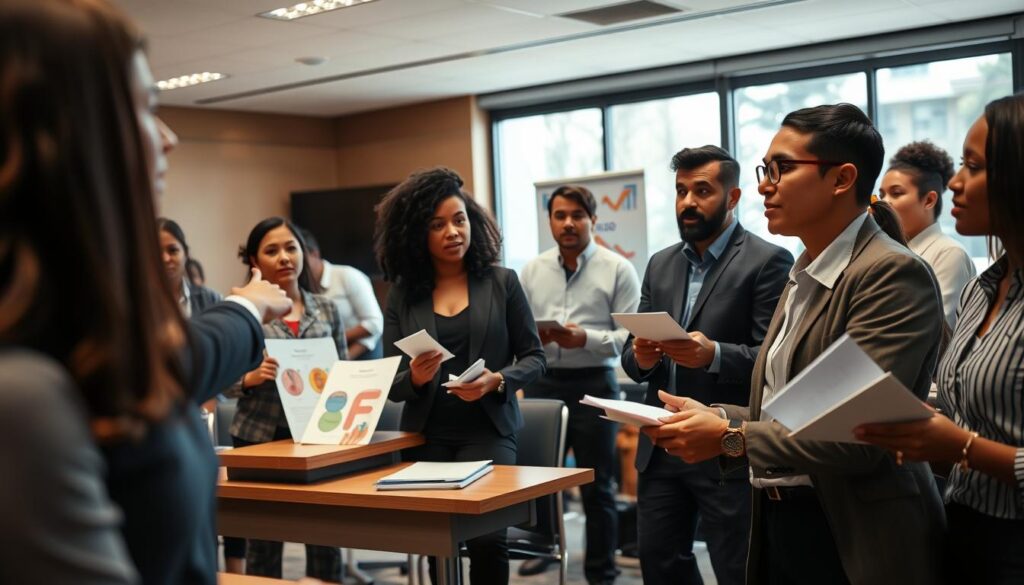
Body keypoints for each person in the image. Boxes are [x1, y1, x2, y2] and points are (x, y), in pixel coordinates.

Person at [0, 1, 293, 583]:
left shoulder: (78, 322)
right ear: (69, 132)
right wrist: (248, 307)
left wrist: (249, 307)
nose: (168, 137)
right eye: (144, 107)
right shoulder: (22, 392)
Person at [643, 104, 946, 585]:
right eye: (767, 169)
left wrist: (728, 437)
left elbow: (856, 433)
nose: (766, 185)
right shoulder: (803, 272)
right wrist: (719, 416)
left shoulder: (890, 273)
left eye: (781, 169)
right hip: (781, 516)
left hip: (855, 530)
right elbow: (793, 413)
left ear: (842, 179)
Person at [857, 93, 1024, 584]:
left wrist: (963, 446)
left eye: (974, 167)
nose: (954, 182)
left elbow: (969, 440)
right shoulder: (983, 287)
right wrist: (926, 425)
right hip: (961, 524)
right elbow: (967, 409)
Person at [620, 146, 792, 585]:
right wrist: (640, 358)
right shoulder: (660, 264)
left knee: (736, 568)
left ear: (732, 197)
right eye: (681, 191)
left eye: (702, 190)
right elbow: (631, 356)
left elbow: (773, 359)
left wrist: (713, 354)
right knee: (660, 564)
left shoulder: (768, 260)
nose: (688, 202)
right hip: (661, 446)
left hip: (724, 445)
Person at [375, 167, 546, 585]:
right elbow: (390, 380)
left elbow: (536, 357)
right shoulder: (402, 294)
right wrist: (414, 377)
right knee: (440, 539)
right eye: (438, 225)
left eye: (459, 219)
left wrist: (498, 380)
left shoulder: (502, 282)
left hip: (489, 430)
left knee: (488, 540)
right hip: (426, 433)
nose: (453, 231)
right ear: (418, 235)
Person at [519, 184, 641, 585]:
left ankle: (600, 570)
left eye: (576, 215)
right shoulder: (532, 270)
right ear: (551, 221)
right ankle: (541, 550)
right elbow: (517, 331)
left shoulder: (617, 267)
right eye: (559, 215)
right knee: (538, 479)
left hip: (595, 383)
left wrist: (584, 338)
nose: (568, 223)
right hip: (543, 384)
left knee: (597, 484)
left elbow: (633, 337)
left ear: (592, 219)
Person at [229, 217, 348, 582]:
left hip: (319, 433)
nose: (284, 257)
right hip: (260, 437)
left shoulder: (326, 309)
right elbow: (220, 378)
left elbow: (344, 369)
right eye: (272, 250)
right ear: (254, 261)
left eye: (291, 247)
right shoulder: (242, 310)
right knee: (265, 540)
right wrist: (248, 378)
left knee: (326, 537)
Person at [880, 140, 976, 326]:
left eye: (896, 193)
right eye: (882, 194)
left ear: (929, 200)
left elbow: (936, 329)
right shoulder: (891, 250)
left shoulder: (948, 253)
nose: (885, 203)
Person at [299, 227, 385, 360]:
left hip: (363, 352)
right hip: (324, 357)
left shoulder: (348, 276)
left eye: (301, 258)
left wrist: (336, 340)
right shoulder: (300, 287)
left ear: (314, 254)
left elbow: (374, 323)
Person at [157, 218, 223, 317]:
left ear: (186, 253)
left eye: (172, 250)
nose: (165, 259)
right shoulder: (135, 304)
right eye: (156, 251)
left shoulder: (212, 300)